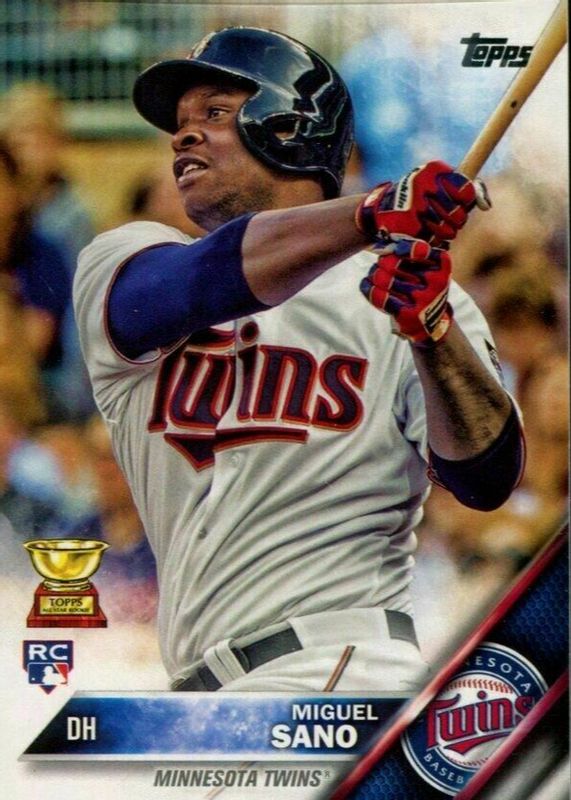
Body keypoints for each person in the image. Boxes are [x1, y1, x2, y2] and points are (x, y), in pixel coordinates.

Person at [74, 28, 524, 693]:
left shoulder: (415, 294)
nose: (181, 136)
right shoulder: (126, 259)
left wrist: (433, 335)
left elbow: (487, 477)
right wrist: (374, 211)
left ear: (287, 127)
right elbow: (187, 287)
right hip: (202, 685)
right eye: (180, 121)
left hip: (341, 662)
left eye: (214, 113)